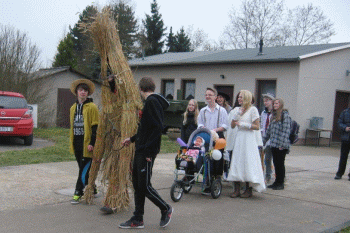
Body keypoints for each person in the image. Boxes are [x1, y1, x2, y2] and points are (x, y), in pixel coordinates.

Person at [119, 77, 173, 229]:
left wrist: (149, 151)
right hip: (141, 148)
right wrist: (132, 139)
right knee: (137, 184)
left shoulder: (152, 102)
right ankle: (138, 218)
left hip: (146, 152)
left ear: (140, 89)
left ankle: (165, 208)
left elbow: (157, 128)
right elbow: (145, 129)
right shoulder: (149, 103)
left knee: (145, 186)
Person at [227, 90, 265, 198]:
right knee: (237, 161)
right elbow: (233, 126)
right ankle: (237, 189)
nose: (239, 99)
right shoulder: (237, 110)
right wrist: (236, 116)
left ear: (247, 98)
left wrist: (244, 124)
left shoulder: (253, 110)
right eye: (238, 97)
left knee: (247, 162)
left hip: (248, 139)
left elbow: (257, 126)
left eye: (241, 97)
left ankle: (248, 189)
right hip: (239, 139)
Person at [69, 79, 99, 204]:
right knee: (82, 167)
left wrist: (92, 143)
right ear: (76, 92)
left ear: (88, 93)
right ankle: (92, 188)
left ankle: (78, 192)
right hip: (76, 142)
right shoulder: (73, 108)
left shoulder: (92, 107)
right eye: (80, 90)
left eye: (85, 91)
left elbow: (95, 126)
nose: (83, 92)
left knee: (83, 169)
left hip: (87, 143)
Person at [263, 98, 291, 190]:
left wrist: (281, 145)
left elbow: (286, 131)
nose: (275, 105)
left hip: (281, 146)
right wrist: (263, 141)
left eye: (277, 103)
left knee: (280, 164)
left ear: (281, 104)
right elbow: (269, 131)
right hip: (273, 145)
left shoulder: (285, 115)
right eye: (274, 103)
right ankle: (276, 182)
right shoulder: (273, 116)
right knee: (275, 164)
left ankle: (281, 183)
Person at [260, 93, 275, 183]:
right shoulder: (263, 113)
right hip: (266, 139)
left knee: (275, 159)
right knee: (267, 159)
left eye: (267, 101)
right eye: (264, 101)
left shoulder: (275, 113)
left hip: (274, 139)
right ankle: (268, 176)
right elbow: (262, 125)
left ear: (272, 101)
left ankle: (279, 176)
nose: (265, 103)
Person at [334, 106, 350, 180]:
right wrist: (345, 128)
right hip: (345, 139)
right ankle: (339, 173)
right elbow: (339, 123)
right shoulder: (344, 112)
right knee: (343, 157)